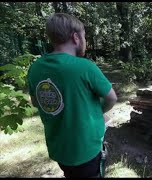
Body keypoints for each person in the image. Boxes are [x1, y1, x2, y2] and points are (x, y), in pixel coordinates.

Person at [27, 13, 117, 178]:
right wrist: (99, 112)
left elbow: (35, 102)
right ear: (76, 37)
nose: (85, 40)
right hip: (86, 149)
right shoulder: (85, 67)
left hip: (59, 149)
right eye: (84, 36)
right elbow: (112, 98)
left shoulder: (35, 69)